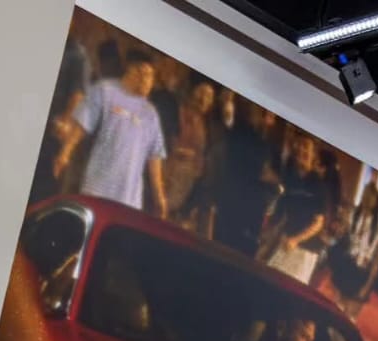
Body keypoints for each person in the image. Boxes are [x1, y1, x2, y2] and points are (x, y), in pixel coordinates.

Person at [54, 48, 167, 217]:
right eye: (146, 74)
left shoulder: (150, 114)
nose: (149, 81)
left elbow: (155, 155)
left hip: (129, 199)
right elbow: (82, 124)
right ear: (132, 71)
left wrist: (160, 196)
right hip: (97, 188)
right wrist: (65, 153)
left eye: (152, 76)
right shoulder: (105, 91)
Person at [207, 98, 279, 255]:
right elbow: (262, 172)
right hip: (246, 212)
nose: (272, 121)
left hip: (227, 202)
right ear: (262, 115)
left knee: (218, 249)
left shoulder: (237, 132)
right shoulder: (257, 142)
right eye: (270, 116)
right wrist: (277, 182)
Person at [30, 35, 90, 203]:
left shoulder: (77, 55)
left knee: (40, 189)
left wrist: (64, 123)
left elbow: (78, 94)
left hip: (52, 132)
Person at [266, 131, 327, 283]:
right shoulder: (290, 179)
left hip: (306, 249)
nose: (301, 150)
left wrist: (296, 240)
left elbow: (318, 223)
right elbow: (282, 213)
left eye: (305, 147)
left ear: (313, 155)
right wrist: (270, 234)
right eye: (298, 145)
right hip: (287, 242)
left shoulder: (318, 184)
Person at [326, 182, 378, 316]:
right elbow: (341, 237)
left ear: (376, 203)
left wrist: (367, 286)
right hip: (346, 266)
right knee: (336, 307)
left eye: (371, 198)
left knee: (349, 314)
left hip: (361, 273)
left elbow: (376, 261)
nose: (367, 200)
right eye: (366, 196)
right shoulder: (353, 217)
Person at [164, 78, 215, 219]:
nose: (203, 99)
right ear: (193, 93)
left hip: (189, 178)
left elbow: (203, 150)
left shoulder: (206, 124)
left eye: (208, 96)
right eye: (201, 93)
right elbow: (170, 139)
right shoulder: (179, 112)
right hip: (171, 168)